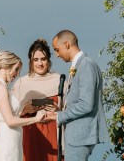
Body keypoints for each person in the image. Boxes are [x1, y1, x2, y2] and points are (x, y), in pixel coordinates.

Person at [45, 30, 108, 161]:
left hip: (80, 135)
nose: (56, 55)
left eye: (57, 50)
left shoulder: (86, 65)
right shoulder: (80, 65)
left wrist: (60, 116)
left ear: (66, 44)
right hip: (77, 135)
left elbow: (86, 104)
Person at [0, 51, 46, 161]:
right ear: (6, 67)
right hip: (7, 141)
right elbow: (9, 120)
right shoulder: (0, 88)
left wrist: (24, 110)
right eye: (16, 69)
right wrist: (35, 119)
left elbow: (6, 114)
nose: (17, 74)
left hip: (12, 139)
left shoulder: (0, 86)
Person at [12, 39, 62, 161]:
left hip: (53, 135)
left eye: (43, 59)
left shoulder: (59, 80)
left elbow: (69, 110)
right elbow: (11, 114)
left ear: (48, 60)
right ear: (30, 61)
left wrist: (58, 109)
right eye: (36, 60)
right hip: (30, 135)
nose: (40, 63)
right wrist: (26, 108)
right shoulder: (21, 83)